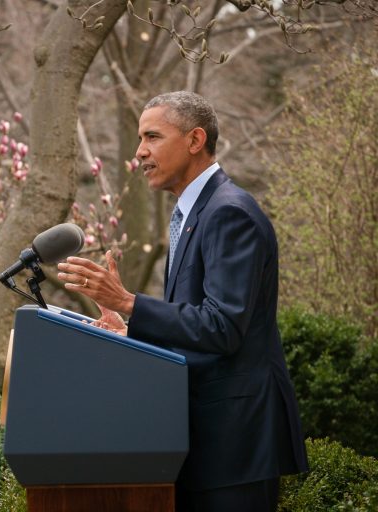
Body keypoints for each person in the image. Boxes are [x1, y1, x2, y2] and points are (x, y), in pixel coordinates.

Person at [57, 91, 309, 512]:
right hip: (205, 445)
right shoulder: (192, 214)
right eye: (140, 139)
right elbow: (197, 325)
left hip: (235, 446)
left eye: (153, 137)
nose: (140, 152)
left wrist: (129, 302)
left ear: (195, 140)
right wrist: (129, 330)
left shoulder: (230, 213)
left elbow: (222, 327)